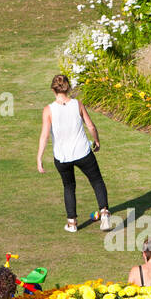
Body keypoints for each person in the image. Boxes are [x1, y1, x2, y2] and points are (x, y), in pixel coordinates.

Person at [37, 75, 113, 233]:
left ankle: (72, 223)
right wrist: (96, 141)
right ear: (68, 88)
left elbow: (44, 135)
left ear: (53, 90)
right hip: (83, 152)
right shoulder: (77, 104)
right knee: (97, 181)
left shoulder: (48, 110)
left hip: (62, 157)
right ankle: (105, 214)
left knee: (69, 187)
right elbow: (91, 126)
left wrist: (39, 158)